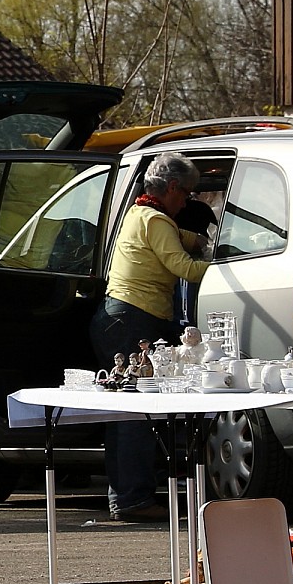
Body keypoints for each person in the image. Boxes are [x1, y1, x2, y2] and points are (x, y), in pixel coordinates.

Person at [91, 154, 209, 524]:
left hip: (119, 317)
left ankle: (126, 496)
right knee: (135, 416)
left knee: (125, 413)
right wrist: (228, 264)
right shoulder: (156, 220)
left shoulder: (139, 215)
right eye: (186, 194)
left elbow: (180, 239)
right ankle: (133, 500)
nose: (187, 202)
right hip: (132, 320)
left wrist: (206, 240)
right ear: (172, 188)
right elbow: (184, 267)